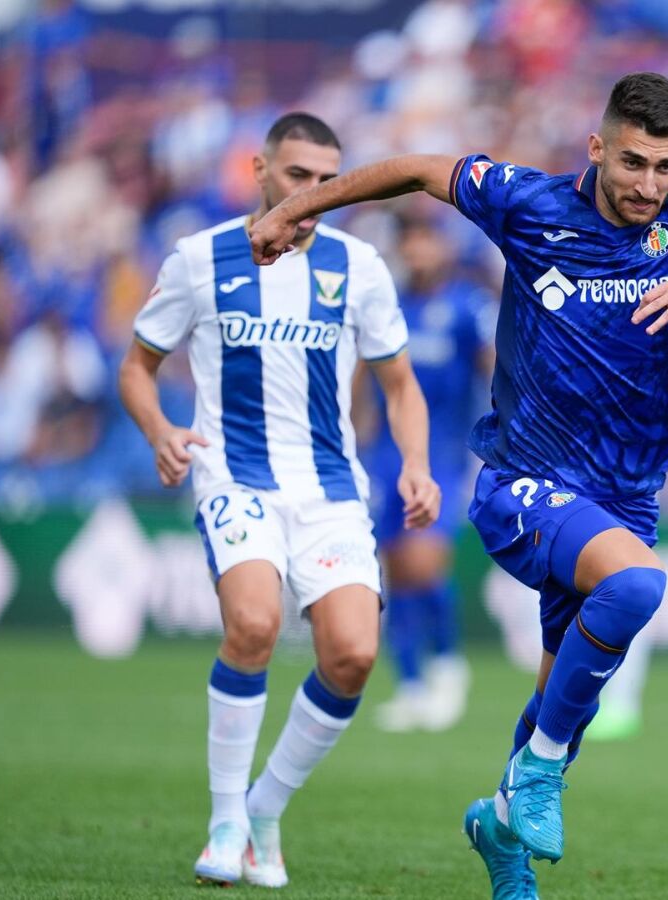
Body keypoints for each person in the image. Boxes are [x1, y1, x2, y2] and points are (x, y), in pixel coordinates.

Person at [251, 72, 668, 899]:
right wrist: (295, 209)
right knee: (637, 587)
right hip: (523, 483)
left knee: (561, 702)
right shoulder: (529, 203)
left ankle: (500, 832)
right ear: (597, 147)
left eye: (666, 167)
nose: (649, 185)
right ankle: (531, 775)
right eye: (634, 162)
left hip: (625, 498)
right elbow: (419, 170)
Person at [118, 112, 440, 888]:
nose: (313, 193)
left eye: (329, 180)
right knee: (255, 623)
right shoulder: (200, 258)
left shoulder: (359, 266)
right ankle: (227, 820)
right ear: (260, 171)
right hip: (236, 477)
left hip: (330, 488)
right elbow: (137, 367)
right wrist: (160, 429)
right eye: (299, 176)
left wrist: (417, 464)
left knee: (353, 654)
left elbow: (401, 385)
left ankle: (265, 809)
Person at [367, 216, 494, 733]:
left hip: (442, 454)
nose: (419, 251)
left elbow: (495, 369)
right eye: (411, 241)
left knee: (424, 565)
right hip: (385, 454)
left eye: (427, 240)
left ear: (443, 247)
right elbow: (364, 377)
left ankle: (447, 663)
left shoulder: (468, 307)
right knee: (394, 571)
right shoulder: (389, 306)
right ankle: (410, 685)